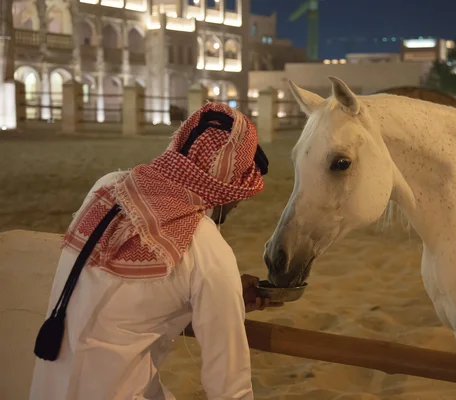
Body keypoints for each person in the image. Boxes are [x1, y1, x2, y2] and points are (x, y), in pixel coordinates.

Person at [30, 103, 281, 400]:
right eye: (238, 195)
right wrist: (220, 293)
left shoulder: (108, 187)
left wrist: (225, 298)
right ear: (225, 189)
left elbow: (132, 305)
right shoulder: (206, 247)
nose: (236, 205)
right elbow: (230, 389)